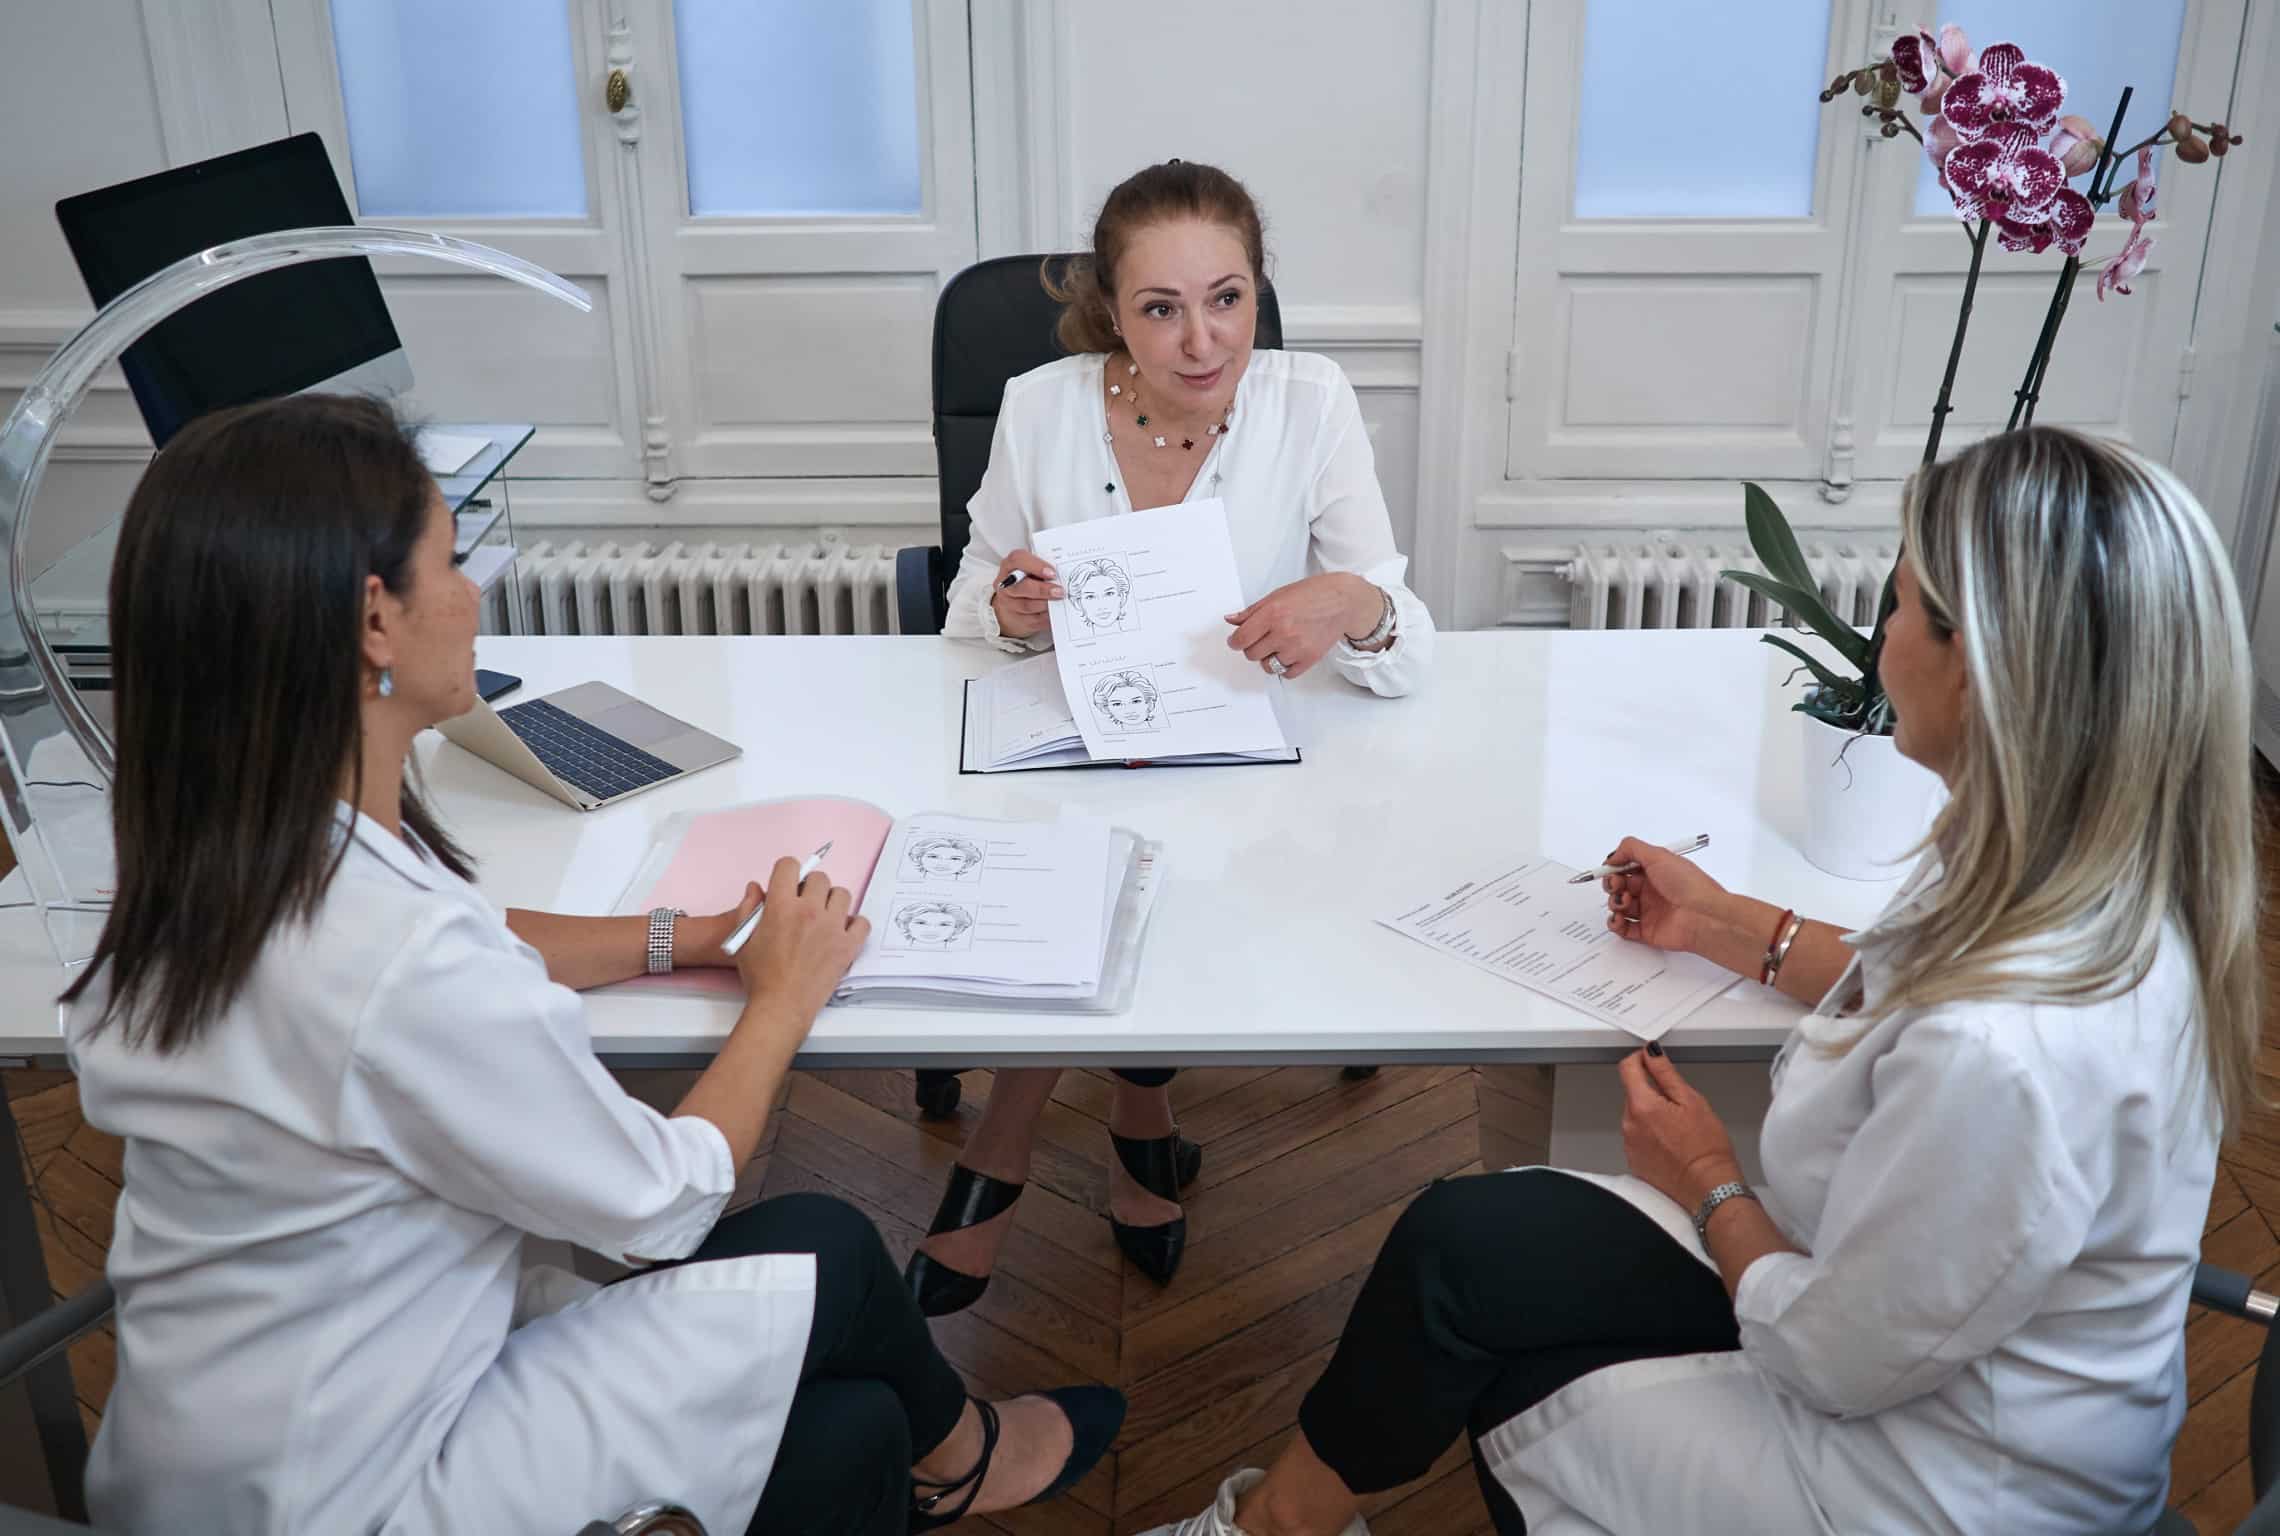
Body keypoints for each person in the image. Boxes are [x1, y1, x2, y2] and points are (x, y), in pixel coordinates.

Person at [1140, 426, 2261, 1536]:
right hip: (1922, 1344)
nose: (1879, 649)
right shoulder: (2098, 877)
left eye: (1901, 608)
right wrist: (1718, 920)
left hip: (1913, 1480)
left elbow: (1831, 1360)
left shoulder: (2004, 1056)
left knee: (1501, 1375)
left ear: (1984, 666)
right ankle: (1280, 1524)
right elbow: (1908, 977)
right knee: (1468, 1244)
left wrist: (1708, 1179)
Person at [60, 394, 1122, 1536]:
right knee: (851, 1410)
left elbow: (470, 939)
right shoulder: (397, 960)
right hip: (354, 1494)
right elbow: (658, 1204)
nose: (476, 595)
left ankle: (953, 1457)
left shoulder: (207, 868)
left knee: (825, 1259)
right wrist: (782, 998)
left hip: (208, 1453)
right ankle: (963, 1461)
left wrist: (690, 937)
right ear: (375, 619)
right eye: (452, 562)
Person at [915, 159, 1438, 1315]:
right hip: (1066, 743)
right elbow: (966, 599)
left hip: (1247, 765)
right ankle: (1139, 1116)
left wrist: (1349, 605)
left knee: (1152, 869)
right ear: (1112, 308)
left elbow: (1404, 646)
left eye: (1228, 298)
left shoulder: (1314, 402)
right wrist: (1006, 608)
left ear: (1258, 293)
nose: (1202, 341)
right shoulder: (1040, 405)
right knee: (1095, 855)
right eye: (1161, 308)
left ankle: (1004, 1147)